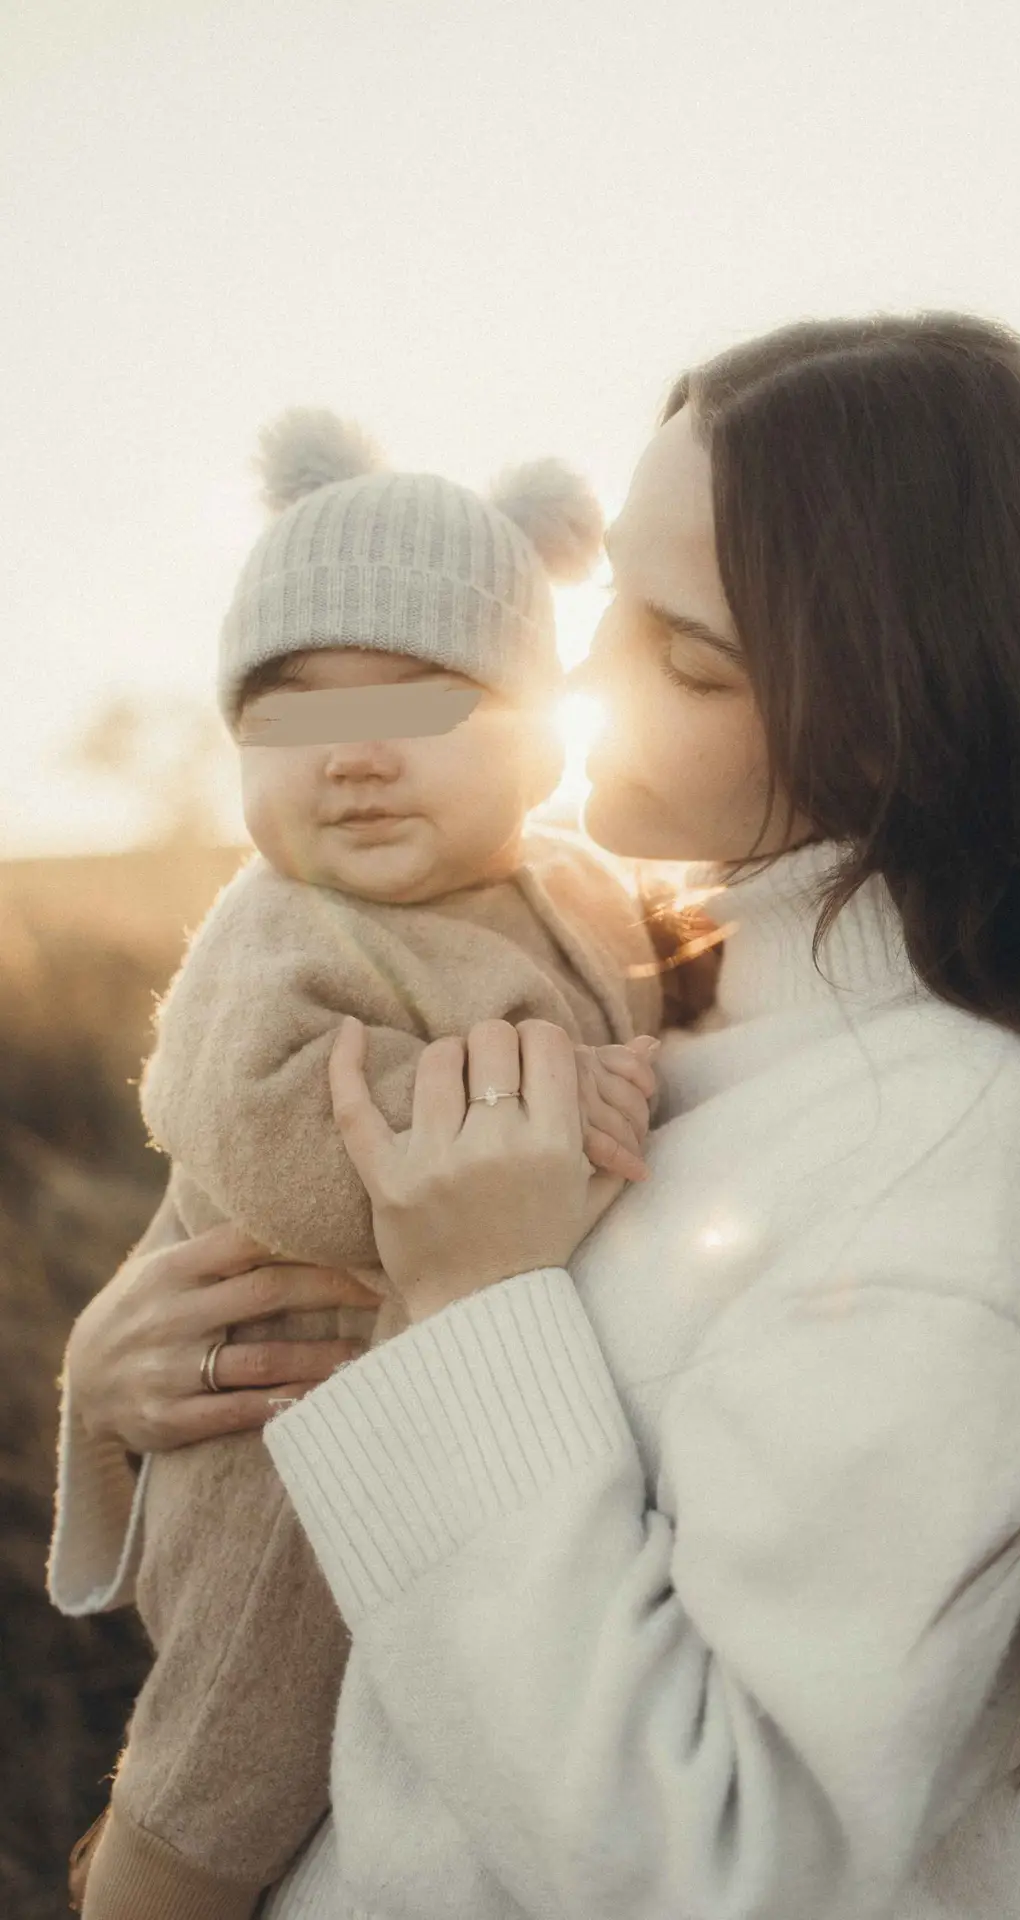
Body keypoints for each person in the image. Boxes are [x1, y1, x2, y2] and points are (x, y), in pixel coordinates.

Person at [51, 314, 1020, 1920]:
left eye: (685, 654)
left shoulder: (950, 1185)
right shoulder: (667, 973)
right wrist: (124, 1374)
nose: (579, 675)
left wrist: (470, 1303)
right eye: (608, 597)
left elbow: (726, 1871)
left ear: (884, 715)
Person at [50, 406, 667, 1919]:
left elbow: (648, 1015)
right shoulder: (271, 936)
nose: (360, 761)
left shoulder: (581, 889)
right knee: (230, 1763)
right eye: (295, 717)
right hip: (284, 1442)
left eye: (428, 704)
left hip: (443, 1420)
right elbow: (298, 1151)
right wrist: (568, 1128)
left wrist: (639, 1065)